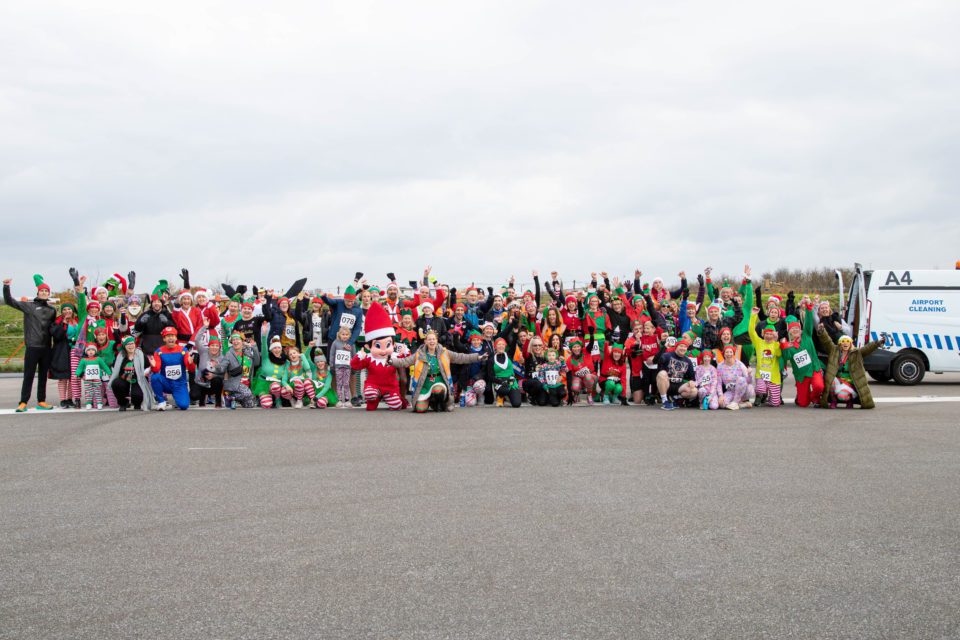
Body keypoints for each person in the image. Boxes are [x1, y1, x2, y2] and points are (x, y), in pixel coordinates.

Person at [393, 329, 484, 412]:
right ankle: (429, 401)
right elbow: (404, 361)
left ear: (437, 341)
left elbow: (461, 357)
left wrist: (478, 357)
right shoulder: (419, 354)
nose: (431, 341)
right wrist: (391, 361)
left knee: (438, 390)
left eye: (433, 339)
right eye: (429, 339)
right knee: (420, 409)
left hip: (439, 381)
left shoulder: (444, 352)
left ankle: (438, 403)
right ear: (425, 341)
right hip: (424, 384)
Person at [3, 275, 56, 412]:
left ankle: (41, 401)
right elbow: (10, 301)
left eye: (46, 291)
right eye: (42, 291)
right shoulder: (29, 306)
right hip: (32, 346)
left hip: (46, 347)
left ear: (49, 294)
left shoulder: (52, 310)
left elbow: (53, 328)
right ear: (38, 292)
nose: (44, 293)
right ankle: (23, 402)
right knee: (29, 375)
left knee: (43, 376)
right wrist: (6, 286)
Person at [818, 331, 885, 409]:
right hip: (838, 381)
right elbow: (827, 341)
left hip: (851, 382)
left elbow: (868, 348)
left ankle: (850, 401)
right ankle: (834, 401)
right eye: (843, 341)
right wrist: (822, 332)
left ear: (850, 343)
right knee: (832, 381)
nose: (845, 343)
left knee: (842, 396)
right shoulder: (834, 351)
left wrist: (878, 343)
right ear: (840, 343)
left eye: (847, 341)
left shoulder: (857, 353)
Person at [780, 298, 825, 407]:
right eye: (792, 330)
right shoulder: (789, 345)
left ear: (800, 329)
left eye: (797, 328)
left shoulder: (807, 336)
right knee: (803, 403)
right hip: (801, 375)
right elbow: (785, 357)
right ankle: (802, 396)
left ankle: (815, 398)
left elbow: (808, 322)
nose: (795, 331)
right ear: (789, 332)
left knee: (819, 386)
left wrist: (809, 308)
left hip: (814, 369)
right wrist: (783, 346)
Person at [150, 326, 195, 411]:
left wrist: (190, 363)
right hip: (166, 382)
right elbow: (156, 370)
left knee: (184, 406)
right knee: (155, 377)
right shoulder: (159, 351)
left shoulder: (183, 350)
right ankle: (161, 401)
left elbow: (191, 369)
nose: (170, 338)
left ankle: (177, 396)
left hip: (179, 383)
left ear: (176, 338)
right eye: (168, 336)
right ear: (164, 339)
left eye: (172, 336)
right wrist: (153, 365)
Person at [748, 308, 784, 407]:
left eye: (771, 334)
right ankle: (761, 395)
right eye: (767, 333)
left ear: (774, 335)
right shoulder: (759, 342)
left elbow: (779, 354)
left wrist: (777, 342)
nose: (768, 336)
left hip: (774, 376)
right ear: (763, 334)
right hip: (761, 374)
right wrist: (753, 316)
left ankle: (770, 397)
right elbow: (751, 332)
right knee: (760, 389)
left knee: (775, 404)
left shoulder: (776, 344)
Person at [214, 333, 260, 409]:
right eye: (233, 340)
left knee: (250, 404)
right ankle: (228, 395)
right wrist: (216, 366)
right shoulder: (229, 354)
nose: (235, 342)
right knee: (247, 394)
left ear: (242, 341)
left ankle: (233, 398)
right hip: (235, 383)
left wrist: (254, 347)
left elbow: (256, 363)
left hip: (247, 383)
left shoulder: (247, 352)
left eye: (237, 339)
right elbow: (222, 367)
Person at [110, 335, 154, 411]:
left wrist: (145, 372)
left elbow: (148, 367)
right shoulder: (120, 356)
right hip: (124, 379)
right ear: (124, 346)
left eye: (132, 343)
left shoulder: (140, 354)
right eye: (128, 344)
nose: (131, 346)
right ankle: (123, 403)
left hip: (138, 379)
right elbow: (115, 368)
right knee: (116, 383)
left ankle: (137, 403)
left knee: (137, 395)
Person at [50, 301, 80, 409]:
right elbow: (57, 336)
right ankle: (63, 399)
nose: (67, 311)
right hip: (62, 350)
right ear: (61, 311)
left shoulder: (77, 321)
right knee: (63, 376)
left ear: (73, 311)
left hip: (75, 350)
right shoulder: (57, 322)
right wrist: (64, 324)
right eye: (64, 309)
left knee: (73, 376)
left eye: (69, 309)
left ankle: (70, 398)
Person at [656, 337, 698, 410]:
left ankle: (675, 398)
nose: (683, 348)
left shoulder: (688, 361)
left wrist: (691, 382)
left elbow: (692, 378)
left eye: (685, 347)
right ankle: (665, 400)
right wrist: (663, 349)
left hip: (678, 386)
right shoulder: (667, 355)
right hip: (666, 384)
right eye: (681, 346)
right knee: (662, 373)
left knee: (694, 391)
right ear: (676, 347)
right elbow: (656, 360)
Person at [75, 342, 112, 410]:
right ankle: (88, 403)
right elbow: (80, 368)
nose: (91, 351)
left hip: (97, 378)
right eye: (89, 350)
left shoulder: (98, 359)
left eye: (92, 350)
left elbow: (104, 366)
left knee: (97, 391)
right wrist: (77, 374)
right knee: (88, 391)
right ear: (86, 352)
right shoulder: (83, 360)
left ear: (95, 351)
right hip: (87, 379)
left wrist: (109, 373)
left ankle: (99, 403)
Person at [716, 344, 753, 410]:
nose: (729, 354)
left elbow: (749, 381)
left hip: (743, 391)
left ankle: (735, 402)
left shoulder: (740, 364)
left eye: (731, 352)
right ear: (724, 354)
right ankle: (742, 405)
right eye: (727, 352)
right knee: (722, 404)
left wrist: (750, 374)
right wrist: (720, 395)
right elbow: (718, 383)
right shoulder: (720, 366)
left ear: (733, 353)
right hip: (731, 391)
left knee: (742, 380)